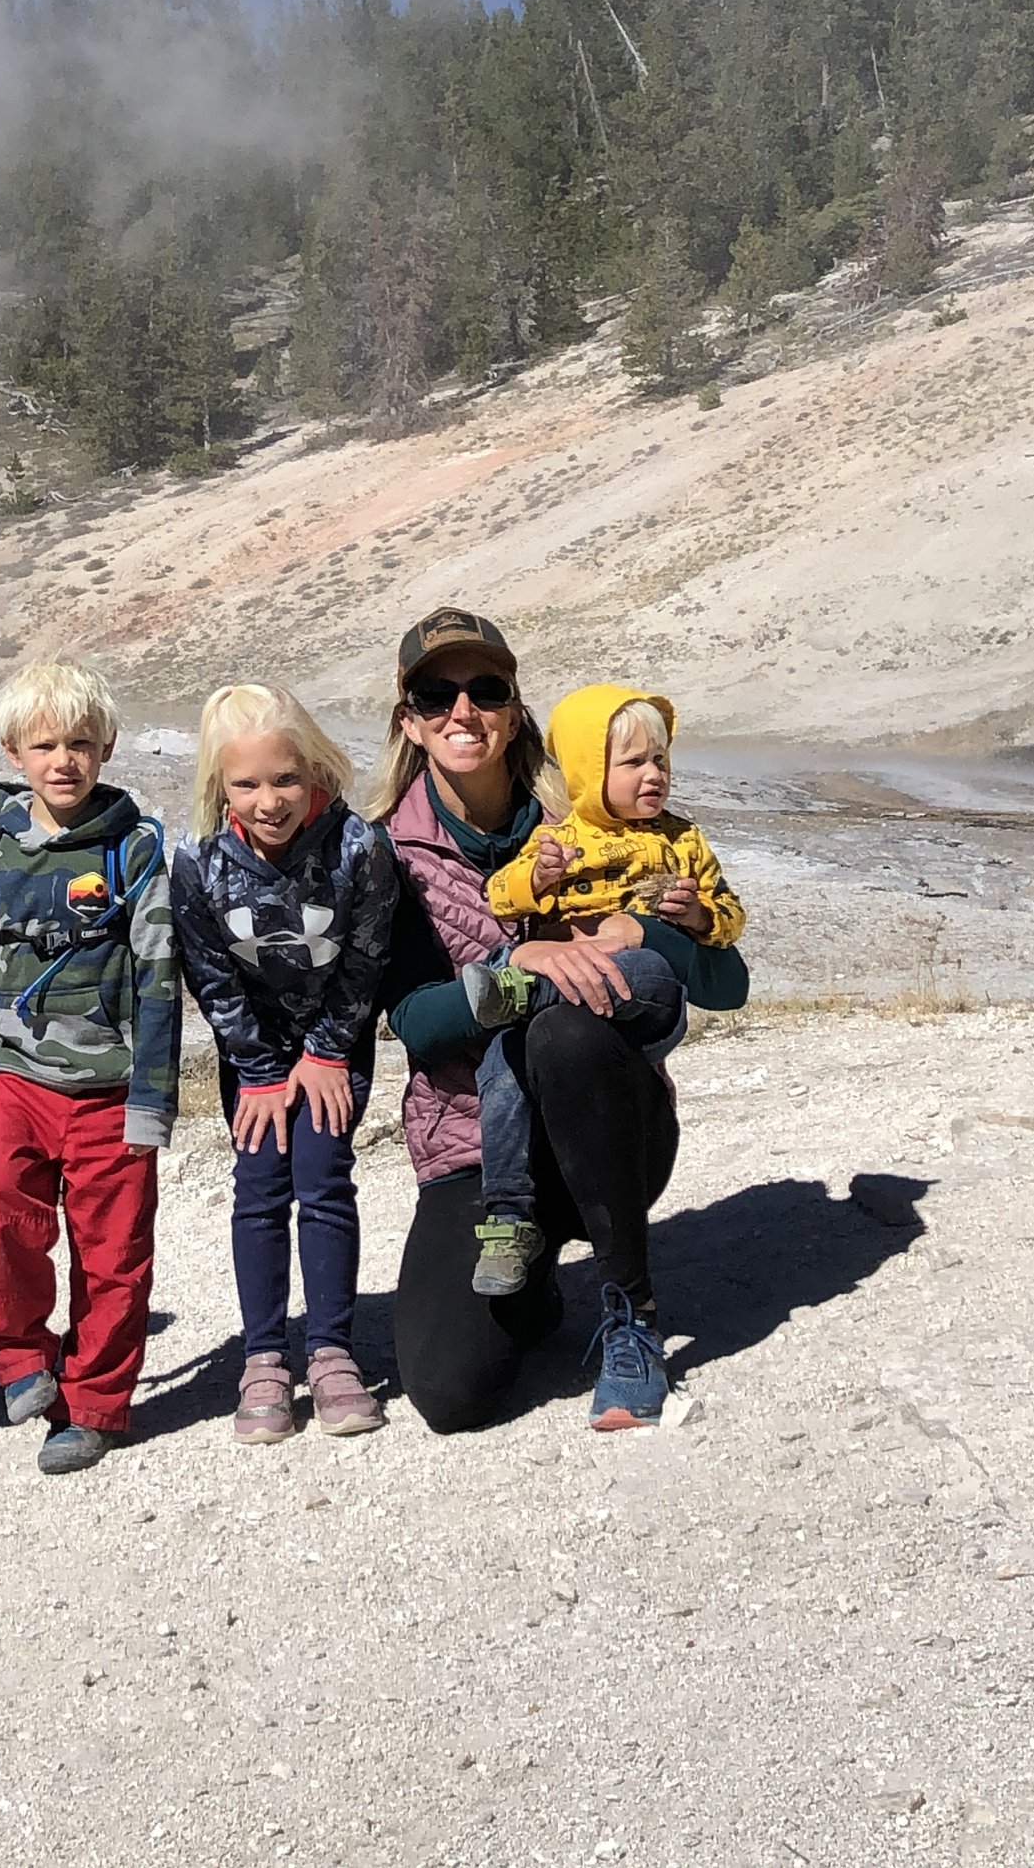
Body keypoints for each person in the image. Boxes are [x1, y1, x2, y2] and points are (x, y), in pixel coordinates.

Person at [372, 612, 691, 1435]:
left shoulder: (587, 822)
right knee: (450, 1392)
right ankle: (537, 1273)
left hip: (602, 1121)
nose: (462, 710)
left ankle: (631, 1311)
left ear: (515, 710)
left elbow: (701, 980)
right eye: (436, 693)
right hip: (470, 1147)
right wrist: (516, 971)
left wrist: (650, 930)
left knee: (565, 1033)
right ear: (409, 718)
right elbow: (414, 1021)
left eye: (486, 690)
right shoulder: (386, 851)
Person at [0, 657, 180, 1476]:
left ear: (108, 747)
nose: (64, 760)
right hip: (17, 1078)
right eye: (46, 743)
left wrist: (154, 1098)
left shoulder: (137, 850)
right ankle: (20, 1357)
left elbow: (160, 975)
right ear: (13, 750)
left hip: (112, 1088)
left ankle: (90, 1408)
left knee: (114, 1254)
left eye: (81, 742)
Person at [458, 684, 746, 1302]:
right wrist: (538, 877)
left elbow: (730, 918)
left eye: (660, 760)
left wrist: (694, 918)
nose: (653, 775)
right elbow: (500, 894)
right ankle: (508, 1215)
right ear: (591, 771)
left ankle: (519, 993)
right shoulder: (560, 837)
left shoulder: (683, 841)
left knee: (642, 969)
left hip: (640, 990)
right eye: (633, 762)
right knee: (499, 1067)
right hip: (566, 985)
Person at [170, 680, 400, 1445]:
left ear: (313, 770)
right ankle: (264, 1356)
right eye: (247, 783)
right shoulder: (200, 861)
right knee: (260, 1184)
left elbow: (368, 957)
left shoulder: (360, 847)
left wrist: (329, 1051)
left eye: (285, 779)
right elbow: (210, 973)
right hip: (255, 1055)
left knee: (323, 1173)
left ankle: (332, 1351)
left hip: (335, 1046)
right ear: (219, 783)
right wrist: (262, 1067)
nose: (269, 800)